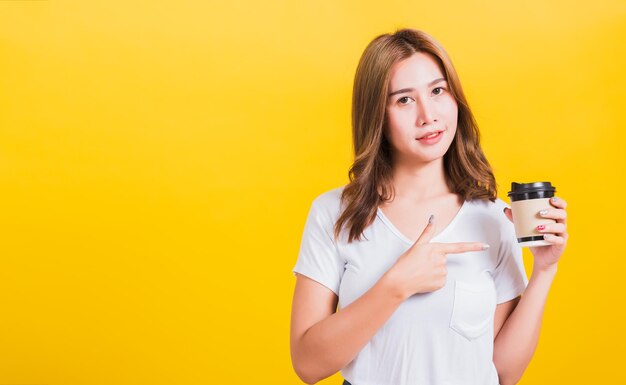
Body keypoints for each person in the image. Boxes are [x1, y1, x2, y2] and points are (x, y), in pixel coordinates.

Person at [289, 29, 568, 385]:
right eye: (404, 100)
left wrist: (544, 270)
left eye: (437, 91)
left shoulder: (494, 218)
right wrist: (395, 286)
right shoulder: (334, 213)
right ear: (377, 115)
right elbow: (308, 365)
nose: (428, 115)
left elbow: (502, 371)